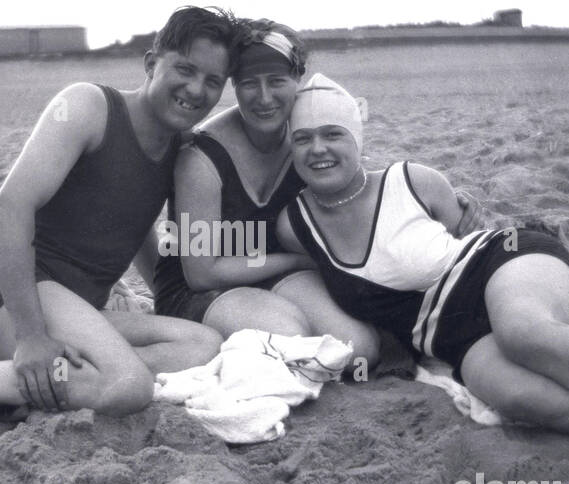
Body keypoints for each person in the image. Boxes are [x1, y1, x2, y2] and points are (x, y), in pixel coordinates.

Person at [0, 6, 240, 425]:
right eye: (185, 69)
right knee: (128, 384)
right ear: (151, 63)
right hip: (9, 289)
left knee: (201, 343)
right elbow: (8, 209)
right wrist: (31, 336)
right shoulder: (88, 107)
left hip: (79, 308)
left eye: (213, 81)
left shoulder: (179, 148)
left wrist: (164, 299)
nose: (196, 89)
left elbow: (138, 228)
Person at [154, 20, 479, 366]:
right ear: (235, 84)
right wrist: (298, 259)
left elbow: (360, 188)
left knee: (357, 348)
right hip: (200, 291)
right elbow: (201, 273)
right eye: (249, 83)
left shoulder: (306, 140)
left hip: (273, 274)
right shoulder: (201, 159)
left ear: (298, 79)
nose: (264, 98)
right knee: (295, 339)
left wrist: (444, 200)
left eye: (277, 81)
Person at [277, 74, 569, 431]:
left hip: (497, 265)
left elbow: (475, 231)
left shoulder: (411, 180)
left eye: (333, 133)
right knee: (519, 396)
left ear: (357, 139)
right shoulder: (295, 224)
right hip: (451, 338)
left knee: (524, 333)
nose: (317, 148)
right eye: (302, 139)